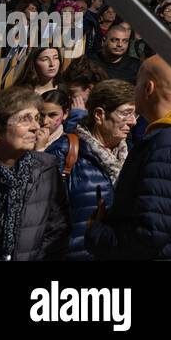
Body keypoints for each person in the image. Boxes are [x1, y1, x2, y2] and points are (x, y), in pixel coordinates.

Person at [83, 56, 171, 261]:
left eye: (137, 83)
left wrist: (97, 233)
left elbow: (151, 233)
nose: (134, 90)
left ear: (148, 88)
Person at [50, 79, 135, 260]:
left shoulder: (132, 155)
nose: (133, 121)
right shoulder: (65, 152)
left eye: (135, 114)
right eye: (126, 114)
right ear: (99, 115)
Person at [0, 86, 69, 260]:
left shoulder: (46, 169)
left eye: (36, 118)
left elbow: (58, 231)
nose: (36, 127)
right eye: (25, 119)